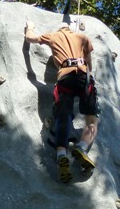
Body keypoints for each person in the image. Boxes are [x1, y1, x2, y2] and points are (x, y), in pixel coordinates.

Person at [24, 19, 99, 183]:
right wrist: (88, 72)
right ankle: (81, 148)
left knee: (62, 118)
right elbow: (89, 62)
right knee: (91, 120)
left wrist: (30, 27)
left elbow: (30, 38)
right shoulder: (82, 37)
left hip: (64, 76)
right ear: (70, 30)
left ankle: (61, 155)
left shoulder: (53, 36)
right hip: (83, 76)